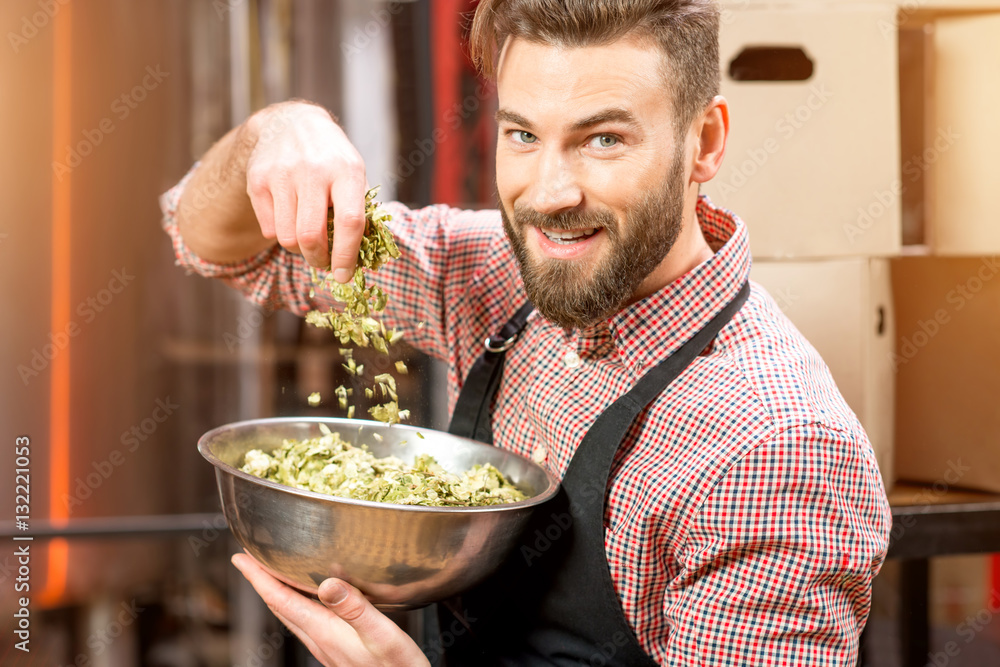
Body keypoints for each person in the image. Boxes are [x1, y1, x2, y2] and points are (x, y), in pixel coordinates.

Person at [161, 0, 891, 664]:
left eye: (603, 139)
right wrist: (278, 131)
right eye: (522, 134)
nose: (548, 195)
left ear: (704, 142)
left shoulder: (775, 451)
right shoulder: (500, 275)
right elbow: (216, 243)